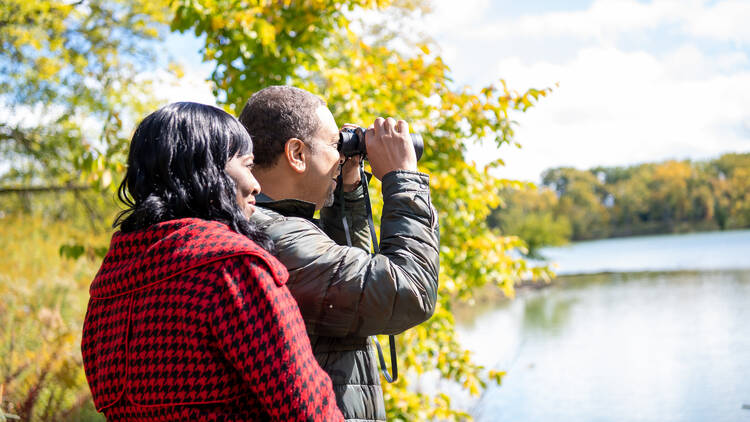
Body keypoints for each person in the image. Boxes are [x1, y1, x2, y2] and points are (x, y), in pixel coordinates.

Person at [80, 102, 343, 421]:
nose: (256, 185)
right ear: (210, 172)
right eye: (247, 166)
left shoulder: (107, 288)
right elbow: (309, 409)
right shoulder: (232, 269)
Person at [239, 86, 440, 422]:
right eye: (335, 146)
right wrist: (402, 179)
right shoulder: (274, 236)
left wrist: (348, 188)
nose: (341, 156)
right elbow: (408, 293)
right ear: (297, 154)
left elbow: (351, 282)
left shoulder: (277, 226)